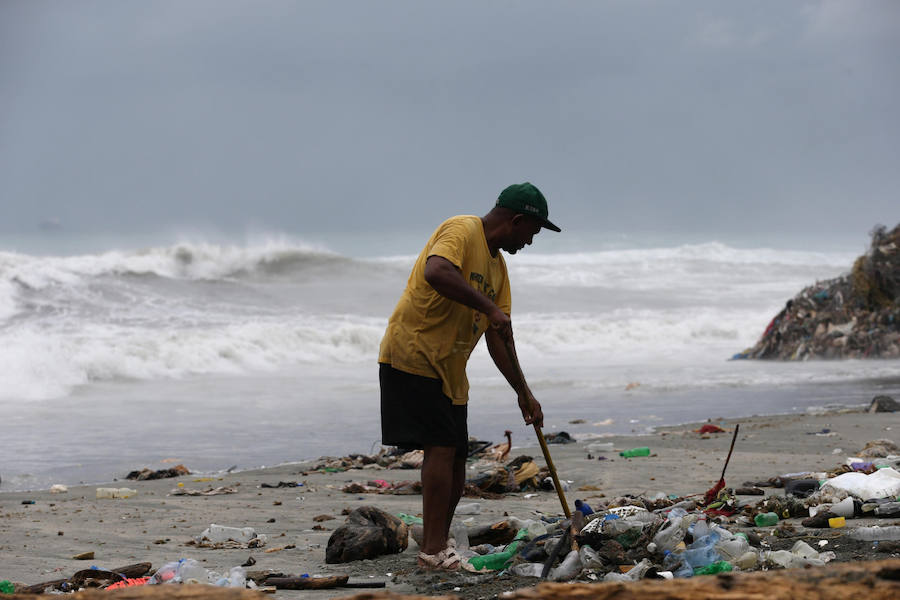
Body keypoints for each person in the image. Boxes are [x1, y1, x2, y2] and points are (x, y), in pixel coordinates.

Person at [378, 182, 561, 570]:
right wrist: (488, 307)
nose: (532, 240)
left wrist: (524, 393)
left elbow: (499, 337)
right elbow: (437, 271)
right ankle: (431, 551)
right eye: (533, 230)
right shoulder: (462, 229)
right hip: (414, 353)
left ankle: (440, 546)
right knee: (441, 448)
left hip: (450, 370)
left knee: (457, 459)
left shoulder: (498, 267)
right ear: (516, 220)